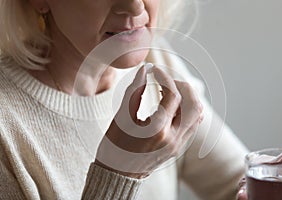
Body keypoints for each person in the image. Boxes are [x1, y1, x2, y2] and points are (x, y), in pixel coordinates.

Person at [0, 0, 248, 199]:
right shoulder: (6, 124)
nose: (135, 6)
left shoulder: (157, 63)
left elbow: (236, 181)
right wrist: (119, 171)